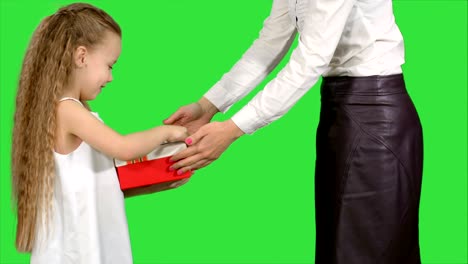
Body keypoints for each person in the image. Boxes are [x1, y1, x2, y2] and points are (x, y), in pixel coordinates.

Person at [164, 0, 423, 263]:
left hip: (375, 120)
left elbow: (310, 61)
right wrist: (208, 106)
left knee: (361, 252)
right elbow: (269, 44)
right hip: (339, 112)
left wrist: (232, 129)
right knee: (338, 247)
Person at [11, 3, 189, 263]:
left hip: (89, 246)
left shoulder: (72, 111)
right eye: (110, 65)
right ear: (81, 56)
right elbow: (124, 147)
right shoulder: (67, 111)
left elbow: (93, 184)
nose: (110, 77)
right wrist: (166, 132)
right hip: (80, 252)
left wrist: (151, 186)